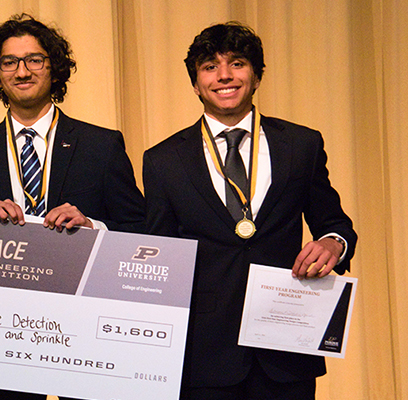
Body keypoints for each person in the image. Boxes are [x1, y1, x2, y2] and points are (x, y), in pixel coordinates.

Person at [143, 22, 358, 400]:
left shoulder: (302, 144)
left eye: (237, 63)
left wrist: (333, 243)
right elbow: (160, 255)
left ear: (257, 76)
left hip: (286, 347)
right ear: (195, 83)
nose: (224, 75)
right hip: (204, 353)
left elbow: (335, 223)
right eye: (210, 67)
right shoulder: (163, 160)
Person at [0, 14, 145, 400]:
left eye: (34, 59)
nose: (22, 71)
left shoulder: (101, 145)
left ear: (54, 68)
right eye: (9, 62)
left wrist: (92, 227)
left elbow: (140, 232)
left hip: (85, 332)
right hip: (6, 336)